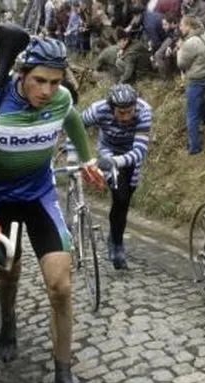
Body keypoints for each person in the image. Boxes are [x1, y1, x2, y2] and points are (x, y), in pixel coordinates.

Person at [0, 37, 104, 383]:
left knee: (61, 287)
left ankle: (64, 377)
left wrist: (86, 159)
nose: (49, 91)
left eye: (56, 81)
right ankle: (8, 320)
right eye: (40, 81)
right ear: (21, 74)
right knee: (8, 275)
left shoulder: (62, 98)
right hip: (0, 201)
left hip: (39, 198)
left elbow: (74, 123)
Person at [68, 84, 152, 269]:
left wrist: (117, 162)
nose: (125, 117)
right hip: (108, 150)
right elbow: (74, 126)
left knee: (124, 202)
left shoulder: (144, 111)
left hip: (130, 155)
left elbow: (139, 151)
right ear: (111, 107)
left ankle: (114, 236)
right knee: (119, 195)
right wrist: (73, 157)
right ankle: (117, 244)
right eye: (120, 113)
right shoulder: (98, 109)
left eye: (129, 112)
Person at [176, 15, 205, 155]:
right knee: (198, 101)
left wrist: (180, 49)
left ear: (188, 26)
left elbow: (181, 64)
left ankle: (194, 148)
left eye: (181, 25)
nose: (180, 28)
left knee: (191, 114)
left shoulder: (190, 43)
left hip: (197, 79)